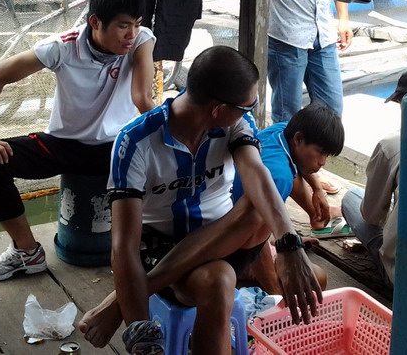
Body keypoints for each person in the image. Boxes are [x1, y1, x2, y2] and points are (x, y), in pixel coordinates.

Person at [79, 46, 322, 355]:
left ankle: (119, 301)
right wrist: (141, 332)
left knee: (258, 206)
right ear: (218, 109)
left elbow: (256, 173)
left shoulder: (235, 123)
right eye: (248, 105)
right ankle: (137, 300)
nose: (250, 112)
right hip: (160, 251)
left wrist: (289, 244)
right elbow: (123, 247)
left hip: (226, 240)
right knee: (219, 280)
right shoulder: (135, 142)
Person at [0, 0, 155, 281]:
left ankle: (148, 246)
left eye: (136, 24)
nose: (131, 34)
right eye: (123, 25)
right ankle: (27, 252)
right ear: (95, 22)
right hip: (63, 146)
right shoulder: (62, 47)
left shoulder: (142, 40)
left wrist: (170, 139)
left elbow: (142, 98)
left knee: (171, 161)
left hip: (117, 149)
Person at [269, 0, 353, 210]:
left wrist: (343, 18)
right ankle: (295, 180)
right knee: (287, 114)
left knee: (331, 109)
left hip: (322, 29)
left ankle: (312, 170)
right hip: (287, 29)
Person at [341, 66, 407, 287]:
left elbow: (371, 216)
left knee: (351, 198)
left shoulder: (392, 145)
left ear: (404, 104)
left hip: (402, 278)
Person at [233, 101, 345, 295]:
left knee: (292, 167)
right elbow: (254, 243)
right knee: (316, 278)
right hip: (235, 248)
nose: (323, 162)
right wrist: (276, 296)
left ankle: (314, 216)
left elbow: (297, 163)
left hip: (238, 220)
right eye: (320, 153)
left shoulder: (283, 130)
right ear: (299, 138)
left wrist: (317, 188)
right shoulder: (277, 177)